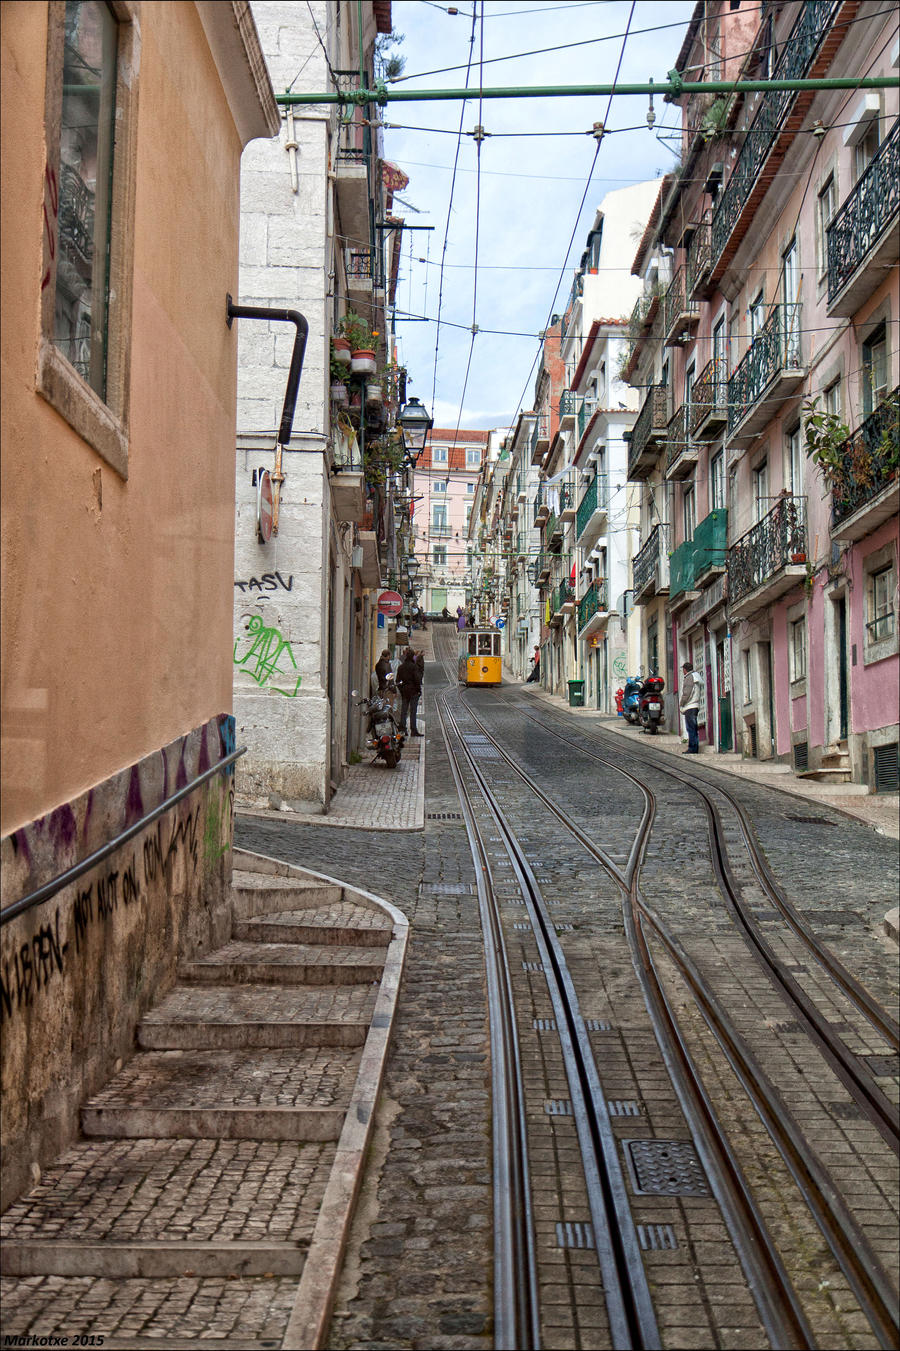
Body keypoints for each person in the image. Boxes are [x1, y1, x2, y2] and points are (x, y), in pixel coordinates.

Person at [396, 646, 423, 736]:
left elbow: (397, 681)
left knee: (404, 711)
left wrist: (402, 690)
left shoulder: (401, 667)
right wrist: (419, 690)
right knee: (413, 711)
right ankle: (413, 730)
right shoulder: (414, 667)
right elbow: (417, 680)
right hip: (413, 691)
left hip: (405, 691)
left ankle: (403, 728)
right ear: (412, 657)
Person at [680, 660, 702, 753]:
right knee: (694, 728)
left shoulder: (689, 678)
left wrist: (682, 703)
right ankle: (695, 747)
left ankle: (692, 748)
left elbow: (687, 693)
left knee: (691, 728)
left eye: (683, 669)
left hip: (690, 706)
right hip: (695, 705)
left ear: (685, 670)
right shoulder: (696, 676)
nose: (683, 671)